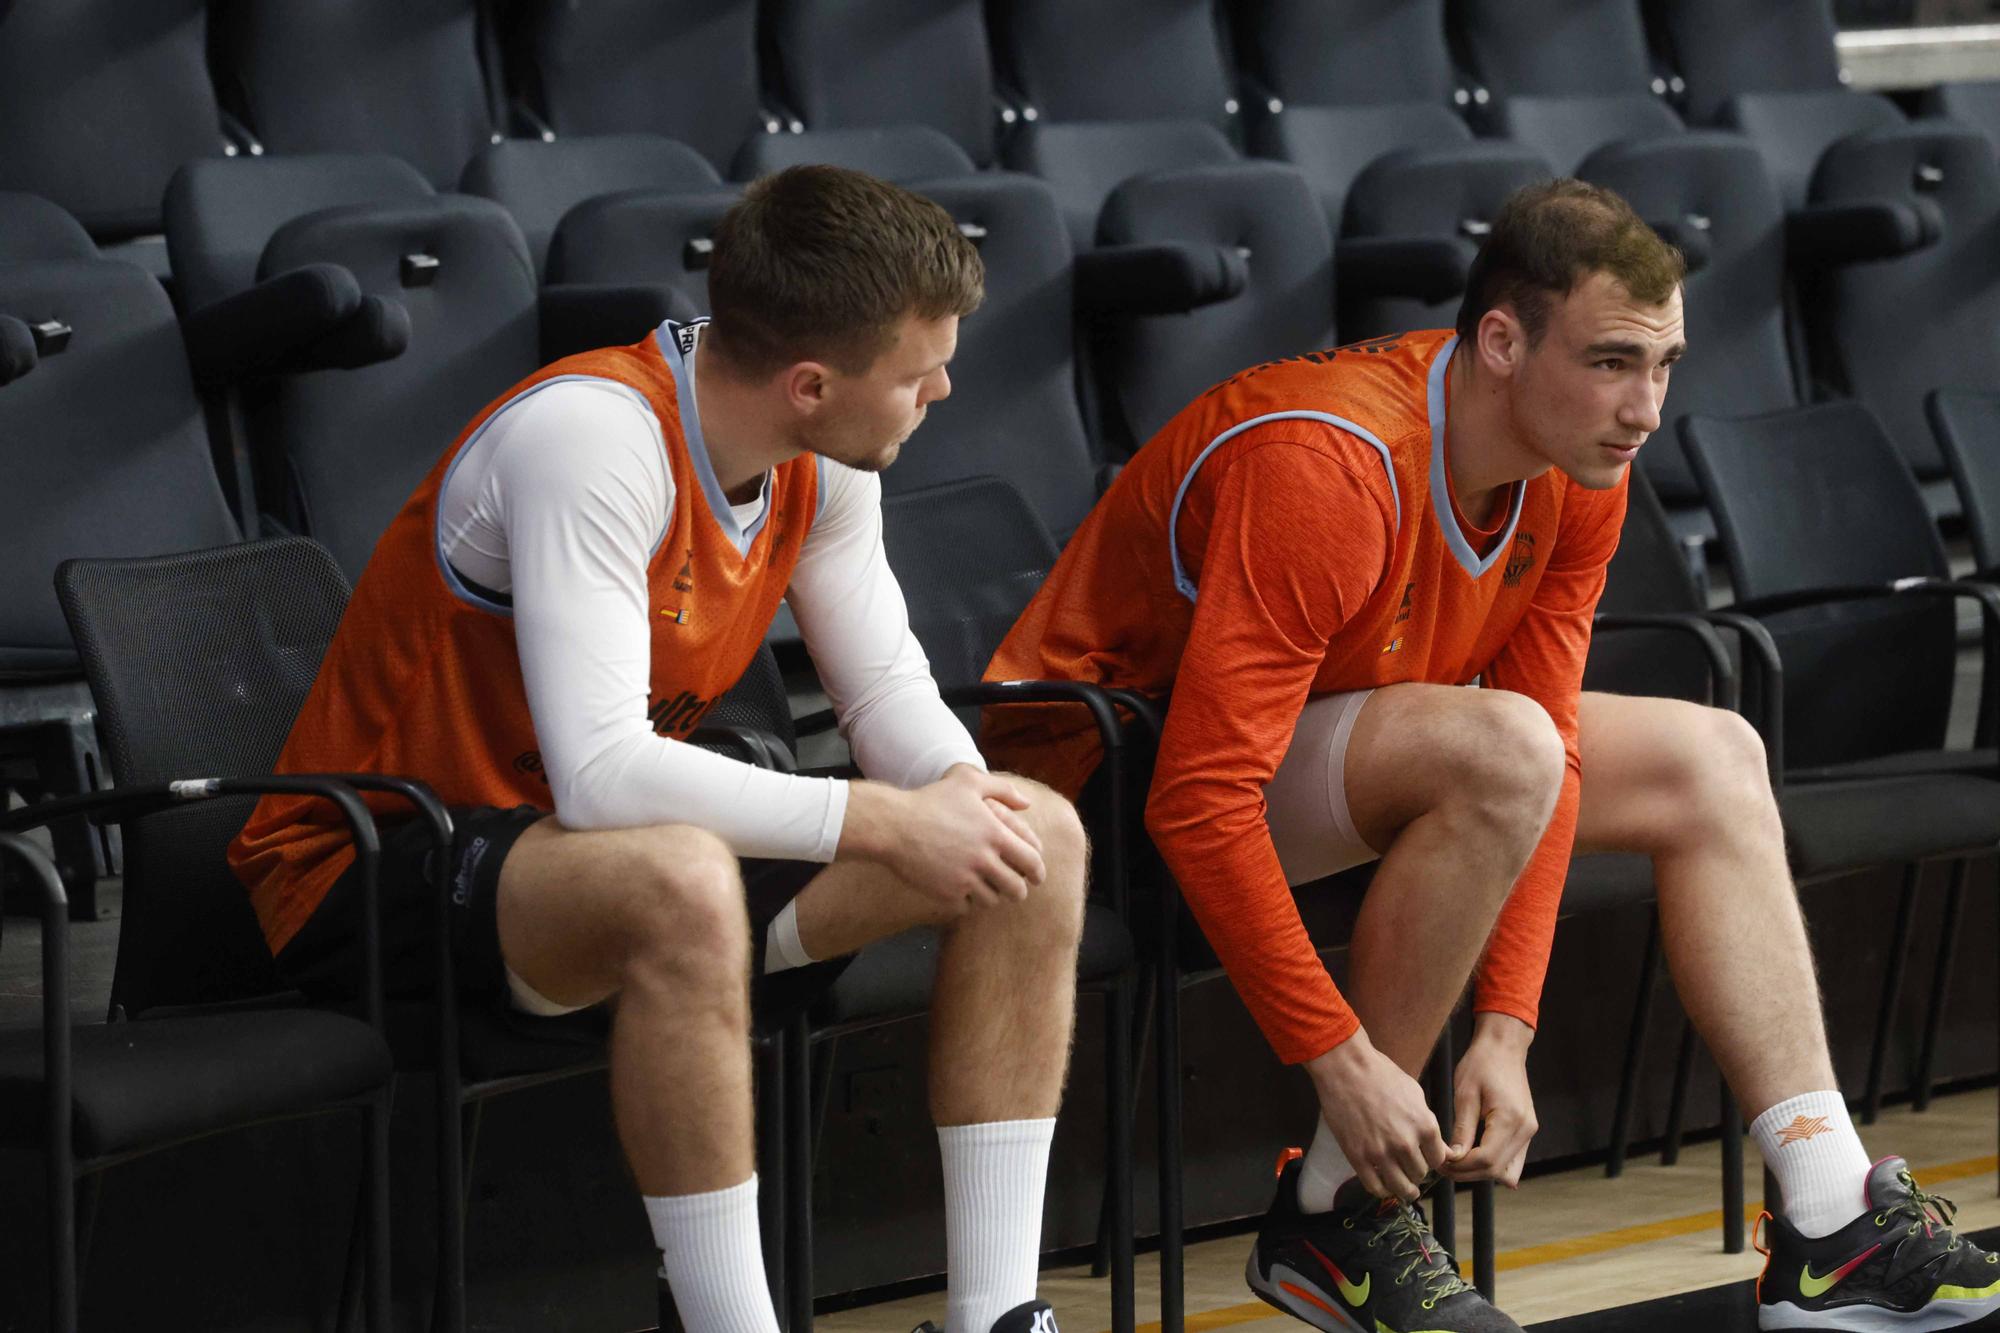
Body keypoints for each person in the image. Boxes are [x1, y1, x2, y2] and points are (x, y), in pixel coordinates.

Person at [982, 179, 2000, 1333]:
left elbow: (1550, 744)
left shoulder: (1576, 468)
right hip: (1090, 785)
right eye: (1613, 361)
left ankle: (1825, 1217)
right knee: (1495, 743)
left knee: (1710, 753)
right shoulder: (1327, 463)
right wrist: (1340, 1059)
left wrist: (1508, 1028)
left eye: (1664, 364)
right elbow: (1200, 800)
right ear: (1501, 341)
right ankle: (1339, 1206)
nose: (1646, 408)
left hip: (1312, 755)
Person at [229, 165, 1089, 1333]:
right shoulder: (592, 437)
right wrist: (892, 821)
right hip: (373, 864)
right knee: (679, 872)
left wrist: (950, 793)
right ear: (810, 383)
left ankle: (996, 1312)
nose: (943, 386)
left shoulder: (825, 457)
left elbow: (883, 683)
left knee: (1028, 831)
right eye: (917, 370)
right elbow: (600, 775)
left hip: (599, 866)